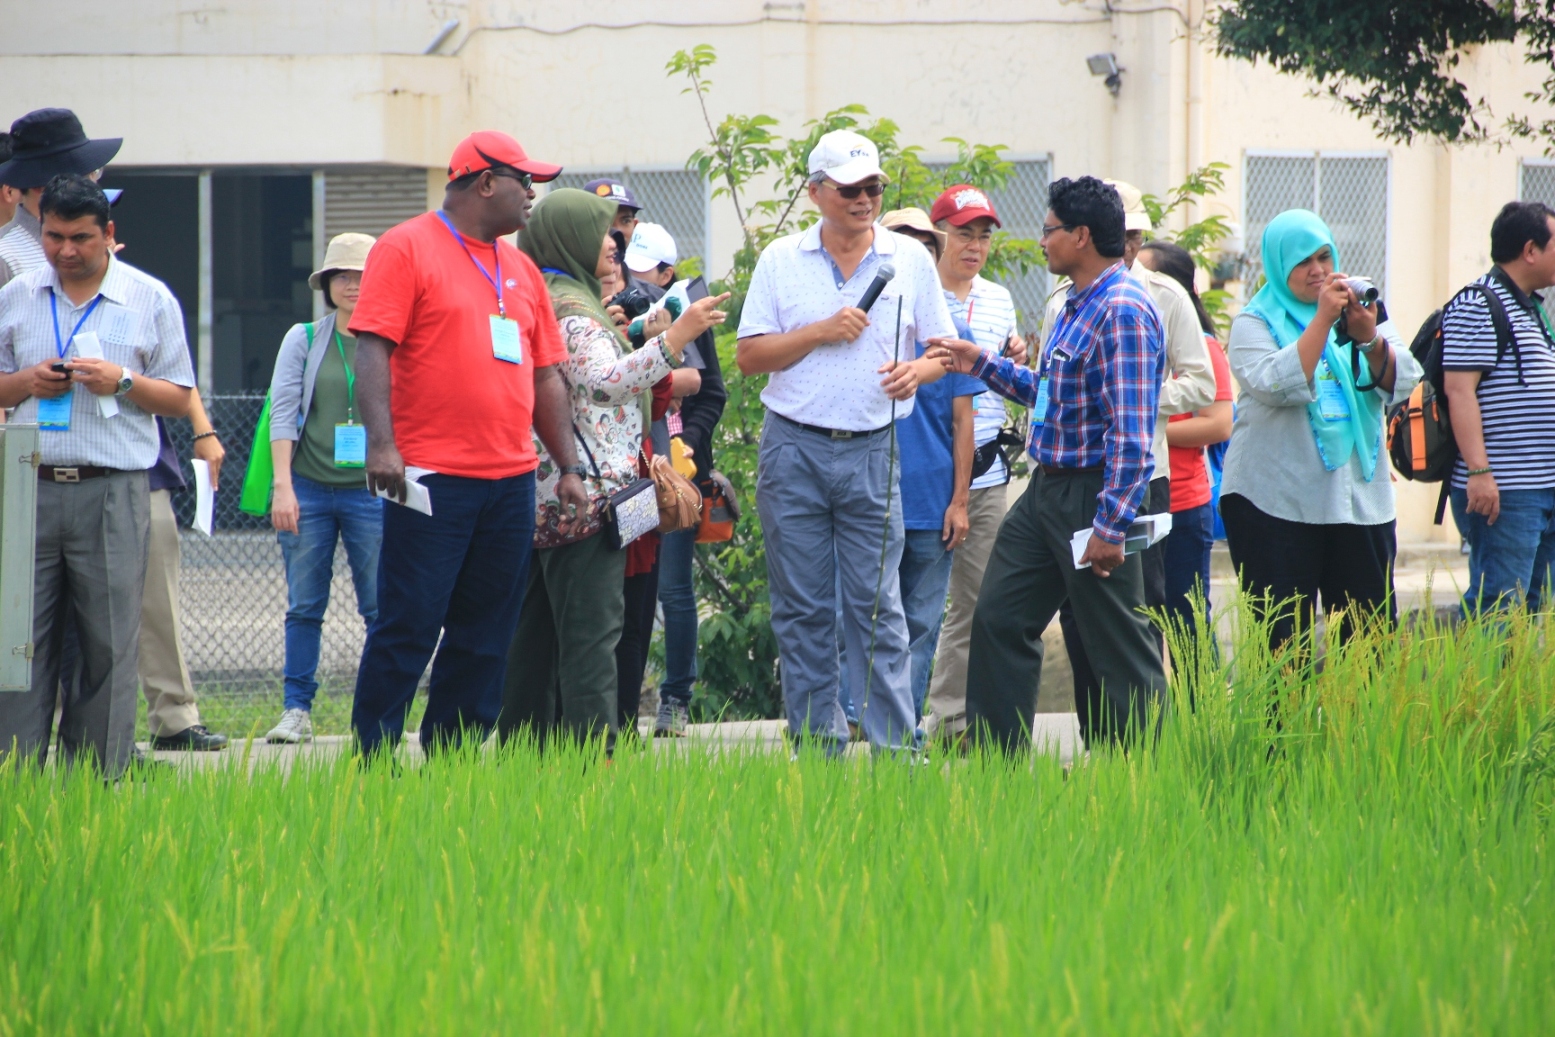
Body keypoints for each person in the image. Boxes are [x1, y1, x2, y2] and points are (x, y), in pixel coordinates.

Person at [348, 131, 587, 759]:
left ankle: (451, 759)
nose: (532, 194)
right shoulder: (406, 247)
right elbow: (372, 347)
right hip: (429, 477)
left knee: (486, 633)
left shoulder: (522, 269)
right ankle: (374, 759)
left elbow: (544, 374)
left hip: (509, 482)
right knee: (410, 623)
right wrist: (382, 445)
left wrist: (568, 466)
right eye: (524, 182)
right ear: (485, 182)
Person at [737, 130, 956, 755]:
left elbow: (944, 351)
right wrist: (820, 331)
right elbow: (749, 357)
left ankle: (896, 753)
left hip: (872, 448)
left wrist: (917, 371)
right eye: (850, 189)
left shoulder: (907, 258)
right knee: (803, 609)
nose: (864, 199)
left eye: (873, 188)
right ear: (816, 193)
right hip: (793, 448)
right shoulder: (781, 258)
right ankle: (819, 750)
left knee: (877, 607)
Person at [930, 176, 1167, 752]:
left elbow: (1131, 437)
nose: (1041, 241)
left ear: (1080, 236)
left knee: (1117, 640)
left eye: (1049, 230)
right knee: (998, 617)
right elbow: (1049, 394)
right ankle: (999, 767)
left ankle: (1151, 773)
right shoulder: (1075, 304)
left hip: (1093, 496)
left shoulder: (1123, 311)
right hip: (1046, 491)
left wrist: (1111, 525)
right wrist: (980, 361)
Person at [497, 189, 727, 752]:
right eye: (602, 231)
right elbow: (603, 384)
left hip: (551, 494)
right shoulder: (575, 313)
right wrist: (676, 337)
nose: (614, 243)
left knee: (535, 640)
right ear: (570, 238)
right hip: (589, 497)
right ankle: (593, 764)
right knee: (593, 640)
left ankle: (522, 760)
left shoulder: (550, 295)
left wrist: (641, 332)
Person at [0, 175, 195, 778]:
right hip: (28, 483)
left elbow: (180, 395)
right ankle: (16, 776)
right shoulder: (17, 295)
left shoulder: (149, 298)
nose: (65, 250)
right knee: (19, 639)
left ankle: (96, 778)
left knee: (108, 639)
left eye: (80, 238)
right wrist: (28, 382)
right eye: (54, 236)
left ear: (108, 234)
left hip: (112, 488)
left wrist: (123, 382)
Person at [1218, 209, 1420, 652]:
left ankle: (1358, 704)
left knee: (1369, 641)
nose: (1318, 270)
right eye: (1302, 261)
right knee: (1283, 646)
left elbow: (1404, 380)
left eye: (1324, 257)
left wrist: (1369, 337)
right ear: (1277, 265)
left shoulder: (1363, 309)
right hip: (1275, 502)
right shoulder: (1254, 322)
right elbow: (1276, 384)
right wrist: (1323, 321)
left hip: (1356, 499)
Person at [1051, 179, 1215, 720]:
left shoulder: (1163, 296)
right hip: (1070, 475)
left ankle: (1147, 741)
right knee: (1077, 613)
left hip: (1141, 476)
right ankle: (1098, 738)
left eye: (1134, 235)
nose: (1125, 245)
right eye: (1119, 233)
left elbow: (1202, 384)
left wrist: (1134, 399)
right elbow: (1050, 388)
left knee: (1138, 608)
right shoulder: (1062, 300)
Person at [840, 203, 981, 727]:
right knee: (855, 614)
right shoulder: (855, 318)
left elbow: (963, 422)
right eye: (902, 241)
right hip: (865, 491)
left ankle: (901, 724)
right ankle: (849, 717)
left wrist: (960, 501)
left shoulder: (950, 330)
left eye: (924, 245)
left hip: (928, 498)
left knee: (919, 623)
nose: (913, 253)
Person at [262, 233, 382, 744]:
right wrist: (283, 486)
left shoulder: (393, 338)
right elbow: (283, 412)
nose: (352, 285)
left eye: (362, 276)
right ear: (327, 283)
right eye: (342, 276)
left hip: (372, 493)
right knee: (304, 606)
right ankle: (296, 711)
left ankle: (376, 714)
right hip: (308, 490)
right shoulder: (305, 337)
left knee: (379, 609)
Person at [920, 188, 1027, 745]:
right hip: (923, 470)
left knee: (977, 601)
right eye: (964, 234)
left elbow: (1001, 375)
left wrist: (1016, 362)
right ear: (938, 234)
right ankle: (890, 716)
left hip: (984, 471)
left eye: (984, 236)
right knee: (910, 605)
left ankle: (952, 721)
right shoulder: (916, 292)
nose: (975, 246)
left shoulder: (998, 299)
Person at [622, 221, 729, 737]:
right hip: (624, 471)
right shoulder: (616, 310)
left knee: (672, 587)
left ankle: (675, 699)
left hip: (674, 475)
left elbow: (710, 391)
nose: (635, 283)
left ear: (668, 274)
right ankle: (618, 706)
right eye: (628, 271)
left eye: (646, 274)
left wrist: (690, 445)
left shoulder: (686, 310)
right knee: (628, 589)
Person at [1443, 200, 1555, 614]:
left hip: (1540, 485)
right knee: (1499, 607)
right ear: (1530, 250)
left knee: (1531, 608)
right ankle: (1477, 663)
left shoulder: (1530, 308)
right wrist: (1479, 472)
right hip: (1506, 491)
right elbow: (1459, 391)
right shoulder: (1478, 304)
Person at [1137, 239, 1233, 637]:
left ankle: (1197, 685)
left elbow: (1219, 424)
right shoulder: (1138, 339)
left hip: (1183, 506)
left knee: (1187, 626)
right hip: (1141, 502)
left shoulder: (1203, 349)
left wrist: (1144, 429)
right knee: (1145, 622)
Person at [139, 397, 231, 751]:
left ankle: (173, 719)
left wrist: (203, 429)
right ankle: (62, 725)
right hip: (52, 466)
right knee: (56, 605)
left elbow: (177, 380)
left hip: (143, 467)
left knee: (159, 603)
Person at [0, 109, 121, 289]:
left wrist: (105, 270)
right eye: (87, 175)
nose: (94, 183)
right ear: (40, 185)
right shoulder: (6, 256)